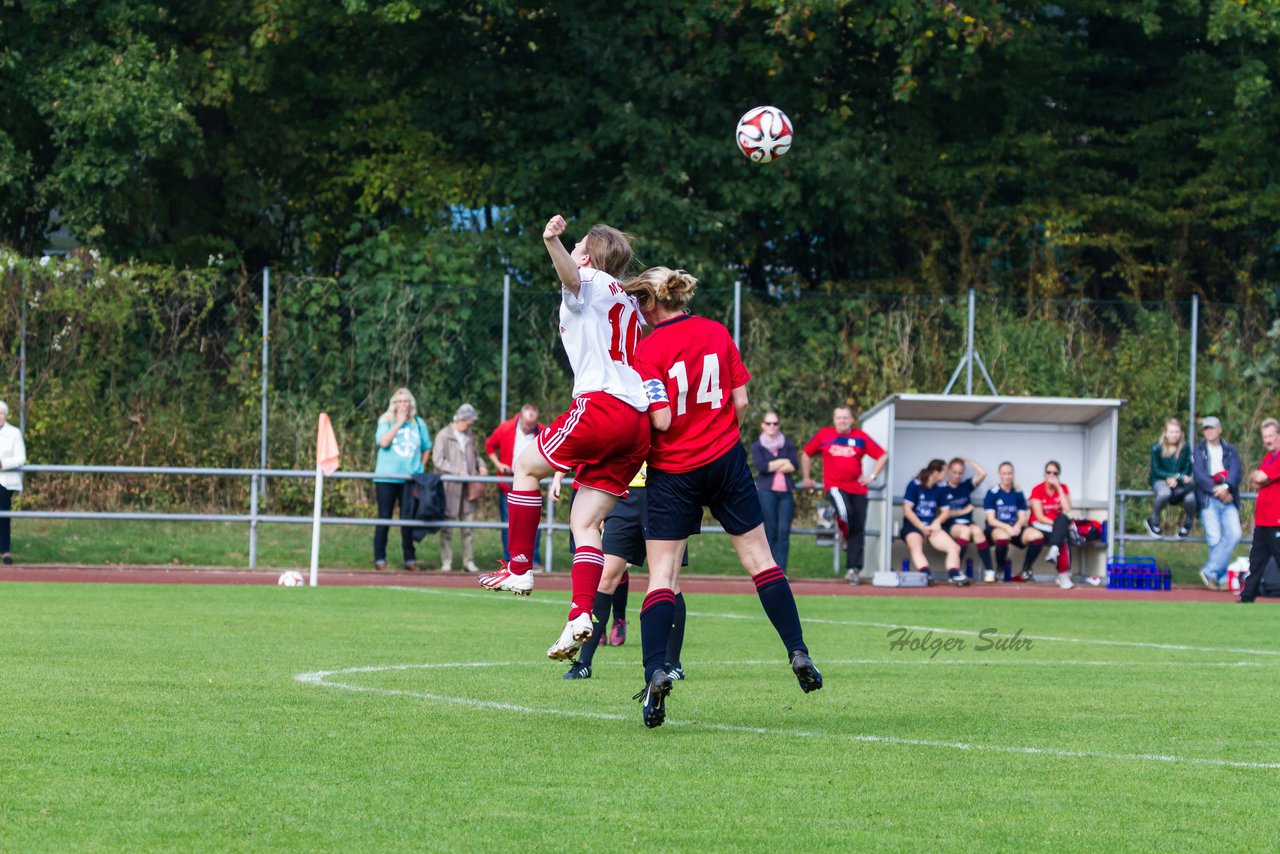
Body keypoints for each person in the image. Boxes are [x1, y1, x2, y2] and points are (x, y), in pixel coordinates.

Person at [628, 266, 822, 729]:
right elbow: (741, 404)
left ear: (653, 303)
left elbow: (659, 421)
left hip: (674, 470)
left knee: (662, 575)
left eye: (639, 300)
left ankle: (656, 670)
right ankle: (797, 650)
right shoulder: (716, 331)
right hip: (725, 461)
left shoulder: (648, 349)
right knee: (762, 561)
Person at [478, 216, 651, 666]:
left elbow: (572, 276)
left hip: (603, 407)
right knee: (586, 524)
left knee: (523, 463)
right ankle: (579, 613)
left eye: (577, 245)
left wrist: (550, 240)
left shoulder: (590, 279)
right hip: (637, 424)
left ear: (589, 256)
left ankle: (519, 566)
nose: (572, 249)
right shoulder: (630, 302)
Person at [557, 464, 687, 680]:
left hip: (663, 491)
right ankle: (583, 663)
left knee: (668, 580)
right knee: (605, 578)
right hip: (624, 495)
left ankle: (673, 663)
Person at [799, 406, 888, 584]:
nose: (842, 421)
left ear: (852, 419)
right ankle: (842, 530)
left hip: (858, 489)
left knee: (857, 529)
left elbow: (882, 455)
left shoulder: (860, 437)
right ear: (833, 419)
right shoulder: (825, 435)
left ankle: (853, 570)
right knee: (844, 511)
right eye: (839, 418)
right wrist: (807, 477)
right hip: (834, 486)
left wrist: (872, 476)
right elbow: (806, 453)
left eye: (846, 418)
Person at [372, 388, 432, 570]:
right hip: (386, 478)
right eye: (399, 401)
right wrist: (398, 423)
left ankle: (409, 558)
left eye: (406, 401)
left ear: (411, 404)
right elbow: (383, 442)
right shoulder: (385, 421)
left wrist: (421, 466)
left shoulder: (419, 424)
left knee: (407, 519)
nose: (403, 405)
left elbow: (426, 447)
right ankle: (379, 557)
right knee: (384, 517)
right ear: (394, 404)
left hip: (409, 479)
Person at [484, 403, 544, 570]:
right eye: (526, 424)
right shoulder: (506, 428)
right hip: (508, 483)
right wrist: (499, 465)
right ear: (519, 417)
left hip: (532, 484)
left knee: (532, 524)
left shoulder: (541, 431)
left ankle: (533, 560)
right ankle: (510, 561)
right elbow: (489, 446)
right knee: (509, 524)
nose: (528, 428)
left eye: (532, 425)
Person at [1029, 461, 1102, 589]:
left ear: (1059, 475)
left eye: (1055, 473)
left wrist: (1059, 488)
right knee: (1062, 527)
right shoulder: (1037, 489)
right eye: (1049, 472)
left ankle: (1059, 564)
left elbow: (1067, 508)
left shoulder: (1063, 488)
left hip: (1057, 528)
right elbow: (1039, 516)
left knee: (1063, 529)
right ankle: (1063, 573)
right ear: (1044, 474)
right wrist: (1059, 526)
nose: (1051, 475)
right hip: (1040, 525)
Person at [433, 403, 487, 573]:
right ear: (461, 420)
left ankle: (468, 561)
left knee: (468, 526)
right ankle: (446, 561)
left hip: (468, 486)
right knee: (447, 527)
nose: (471, 426)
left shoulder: (469, 435)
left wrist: (482, 465)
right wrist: (457, 471)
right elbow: (438, 460)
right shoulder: (443, 435)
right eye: (469, 423)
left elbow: (475, 455)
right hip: (450, 487)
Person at [1191, 416, 1243, 590]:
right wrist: (1217, 491)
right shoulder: (1198, 450)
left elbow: (1236, 471)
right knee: (1215, 540)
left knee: (1235, 534)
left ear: (1219, 429)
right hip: (1208, 499)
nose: (1209, 431)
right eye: (1206, 428)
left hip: (1228, 497)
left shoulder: (1230, 450)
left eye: (1212, 428)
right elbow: (1199, 475)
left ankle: (1209, 571)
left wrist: (1227, 487)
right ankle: (1219, 580)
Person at [900, 459, 969, 586]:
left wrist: (937, 522)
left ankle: (954, 575)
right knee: (915, 545)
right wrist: (921, 527)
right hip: (913, 526)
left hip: (932, 527)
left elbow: (946, 511)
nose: (946, 475)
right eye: (944, 471)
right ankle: (926, 575)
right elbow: (907, 510)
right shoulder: (914, 485)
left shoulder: (940, 488)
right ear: (936, 472)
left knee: (955, 547)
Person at [751, 410, 799, 572]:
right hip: (766, 492)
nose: (772, 426)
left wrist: (774, 465)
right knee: (770, 531)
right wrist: (782, 461)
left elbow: (794, 465)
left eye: (775, 423)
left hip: (785, 493)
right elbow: (763, 467)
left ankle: (782, 570)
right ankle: (771, 571)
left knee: (784, 532)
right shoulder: (757, 446)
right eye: (769, 423)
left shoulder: (788, 443)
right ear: (763, 425)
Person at [1239, 418, 1280, 604]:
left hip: (1276, 519)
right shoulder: (1268, 457)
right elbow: (1255, 480)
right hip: (1262, 520)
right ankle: (1247, 597)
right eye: (1265, 437)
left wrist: (1262, 477)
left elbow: (1261, 476)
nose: (1268, 440)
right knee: (1256, 562)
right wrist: (1261, 477)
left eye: (1271, 435)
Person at [983, 461, 1045, 581]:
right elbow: (991, 520)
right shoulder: (993, 493)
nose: (1007, 476)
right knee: (1003, 536)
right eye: (1004, 473)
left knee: (1038, 536)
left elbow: (1022, 516)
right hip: (997, 529)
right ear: (999, 474)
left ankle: (1026, 570)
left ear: (1013, 474)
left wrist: (1017, 526)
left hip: (1014, 528)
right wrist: (1007, 528)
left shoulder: (1017, 492)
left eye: (1009, 473)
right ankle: (1000, 569)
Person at [936, 456, 993, 581]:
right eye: (955, 472)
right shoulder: (942, 489)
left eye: (960, 473)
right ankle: (955, 571)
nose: (957, 476)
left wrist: (967, 460)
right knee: (965, 531)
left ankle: (989, 571)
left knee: (978, 531)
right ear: (949, 472)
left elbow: (983, 473)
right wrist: (963, 511)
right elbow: (943, 514)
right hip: (952, 524)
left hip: (968, 522)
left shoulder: (965, 486)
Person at [1145, 417, 1197, 538]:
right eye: (1172, 432)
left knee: (1191, 498)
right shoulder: (1156, 448)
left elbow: (1188, 468)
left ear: (1181, 433)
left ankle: (1187, 526)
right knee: (1164, 493)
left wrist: (1177, 478)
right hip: (1160, 479)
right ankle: (1153, 522)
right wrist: (1173, 477)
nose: (1174, 435)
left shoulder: (1186, 447)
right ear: (1166, 433)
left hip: (1180, 481)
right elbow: (1156, 470)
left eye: (1177, 432)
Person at [0, 401, 27, 565]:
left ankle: (5, 550)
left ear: (6, 415)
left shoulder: (14, 433)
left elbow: (20, 458)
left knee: (3, 516)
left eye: (1, 413)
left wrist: (2, 464)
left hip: (5, 481)